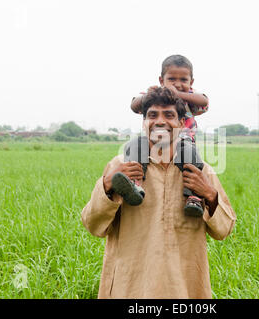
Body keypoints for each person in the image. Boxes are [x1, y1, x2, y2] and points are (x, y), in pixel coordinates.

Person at [81, 87, 236, 299]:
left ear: (182, 124)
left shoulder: (200, 171)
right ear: (144, 122)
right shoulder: (122, 166)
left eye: (169, 115)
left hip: (183, 288)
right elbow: (92, 225)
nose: (160, 121)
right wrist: (108, 184)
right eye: (152, 115)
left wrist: (209, 194)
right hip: (131, 287)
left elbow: (224, 230)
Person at [112, 55, 209, 217]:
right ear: (161, 80)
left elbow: (204, 101)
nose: (178, 84)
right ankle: (135, 184)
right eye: (172, 79)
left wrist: (178, 94)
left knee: (192, 160)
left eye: (184, 80)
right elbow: (134, 104)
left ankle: (193, 197)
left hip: (184, 142)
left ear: (191, 82)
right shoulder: (155, 95)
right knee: (135, 146)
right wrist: (150, 95)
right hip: (153, 141)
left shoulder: (191, 99)